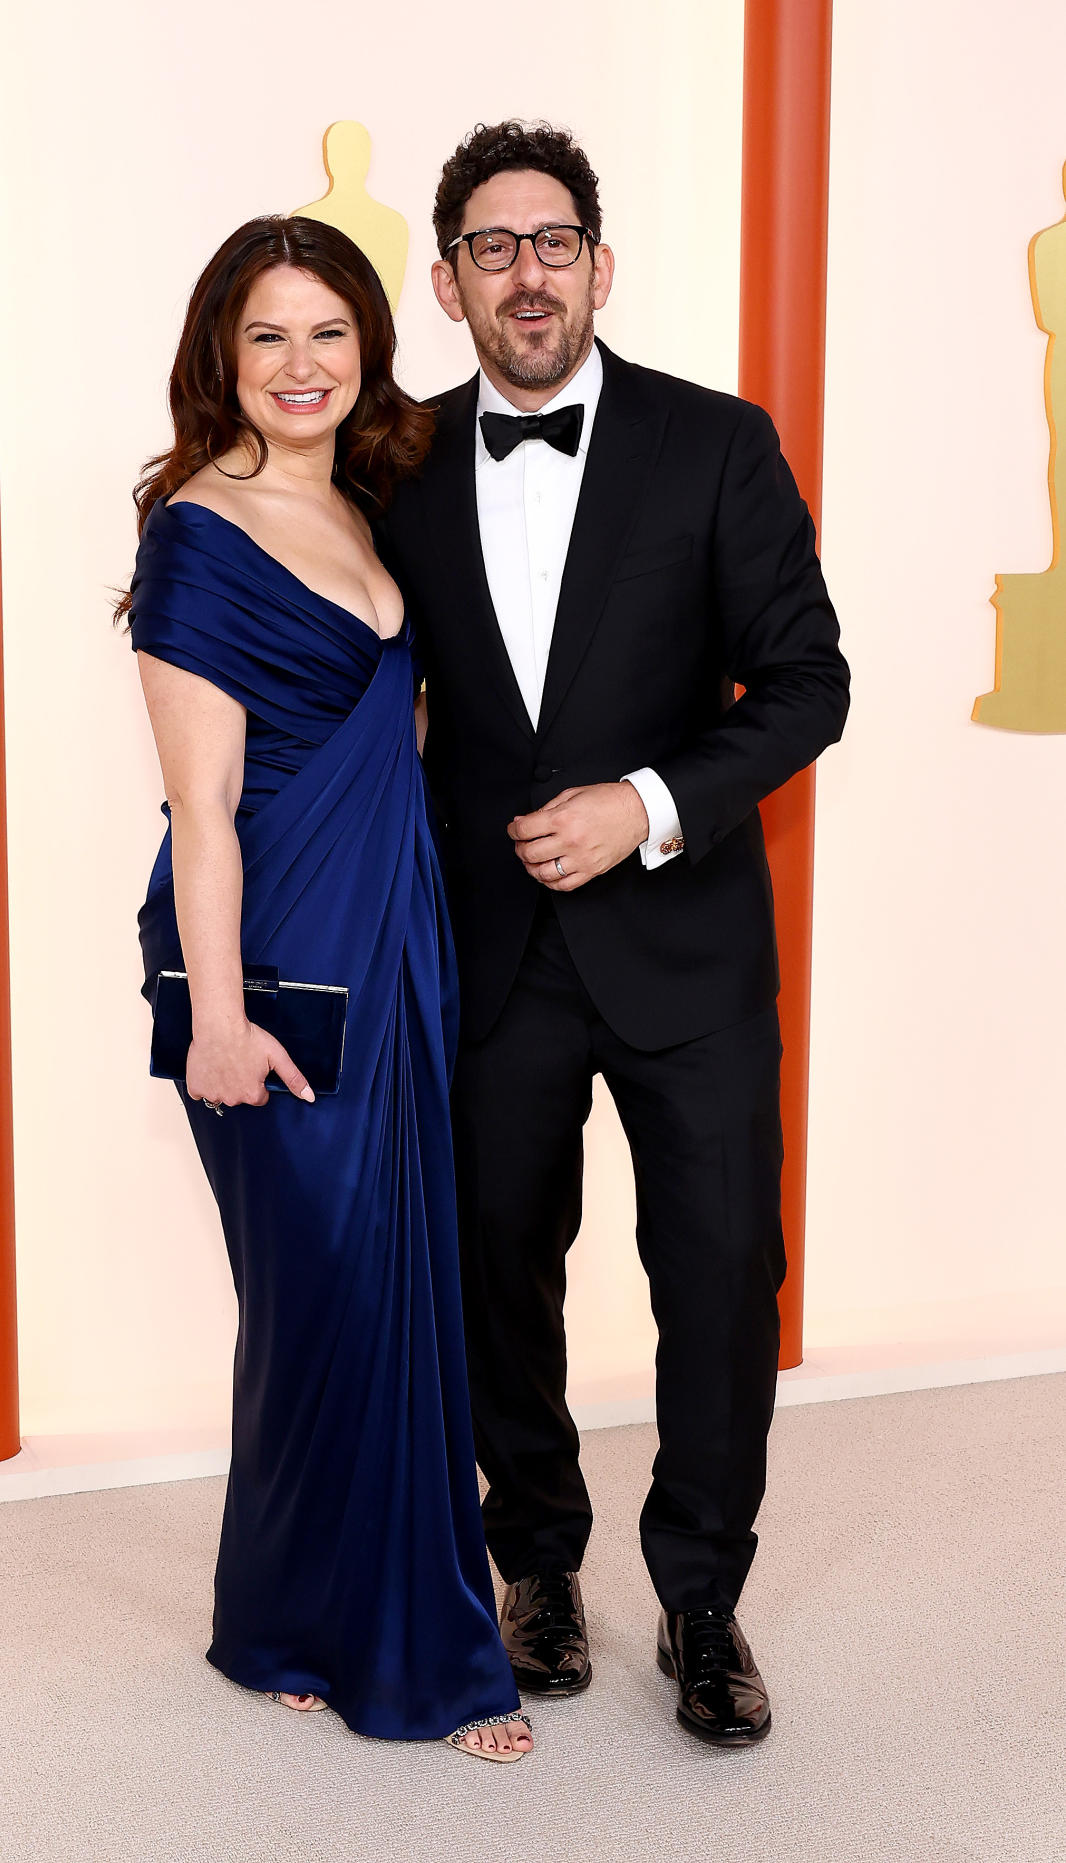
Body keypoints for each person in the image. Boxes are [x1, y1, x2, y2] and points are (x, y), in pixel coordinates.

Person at [377, 121, 850, 1746]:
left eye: (553, 241)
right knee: (498, 1271)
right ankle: (535, 1566)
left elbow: (808, 685)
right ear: (446, 280)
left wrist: (641, 801)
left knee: (720, 1274)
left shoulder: (717, 444)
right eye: (492, 246)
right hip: (486, 950)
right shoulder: (393, 461)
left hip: (688, 949)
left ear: (598, 263)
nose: (527, 272)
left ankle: (703, 1604)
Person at [121, 215, 532, 1762]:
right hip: (276, 961)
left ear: (368, 350)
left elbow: (397, 731)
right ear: (223, 358)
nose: (301, 367)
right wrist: (219, 1020)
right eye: (269, 338)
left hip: (397, 938)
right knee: (328, 1299)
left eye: (328, 336)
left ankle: (278, 1620)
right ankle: (401, 1651)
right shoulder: (198, 530)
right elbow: (205, 811)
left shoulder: (368, 509)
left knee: (383, 1293)